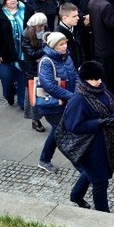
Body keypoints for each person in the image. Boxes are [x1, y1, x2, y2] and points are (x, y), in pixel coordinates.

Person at [64, 60, 114, 212]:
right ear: (85, 79)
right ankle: (103, 215)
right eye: (94, 79)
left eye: (99, 78)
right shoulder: (78, 100)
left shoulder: (104, 91)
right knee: (100, 181)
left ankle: (76, 195)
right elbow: (73, 126)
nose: (98, 81)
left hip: (107, 143)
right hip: (91, 147)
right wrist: (98, 123)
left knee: (90, 173)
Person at [36, 32, 79, 174]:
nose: (65, 46)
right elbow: (49, 86)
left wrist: (77, 91)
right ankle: (80, 165)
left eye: (65, 43)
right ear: (54, 46)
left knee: (57, 132)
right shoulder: (46, 62)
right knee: (61, 132)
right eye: (61, 44)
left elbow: (75, 76)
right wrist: (71, 96)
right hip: (53, 106)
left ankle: (44, 159)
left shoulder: (66, 57)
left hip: (67, 101)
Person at [0, 0, 32, 109]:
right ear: (4, 2)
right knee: (7, 79)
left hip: (23, 52)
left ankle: (22, 101)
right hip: (5, 53)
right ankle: (9, 95)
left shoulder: (26, 9)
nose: (12, 0)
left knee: (22, 78)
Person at [21, 13, 48, 133]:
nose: (42, 28)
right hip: (32, 70)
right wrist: (46, 47)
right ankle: (35, 120)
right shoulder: (26, 35)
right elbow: (31, 54)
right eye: (40, 26)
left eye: (43, 26)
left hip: (43, 66)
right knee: (33, 95)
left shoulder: (45, 31)